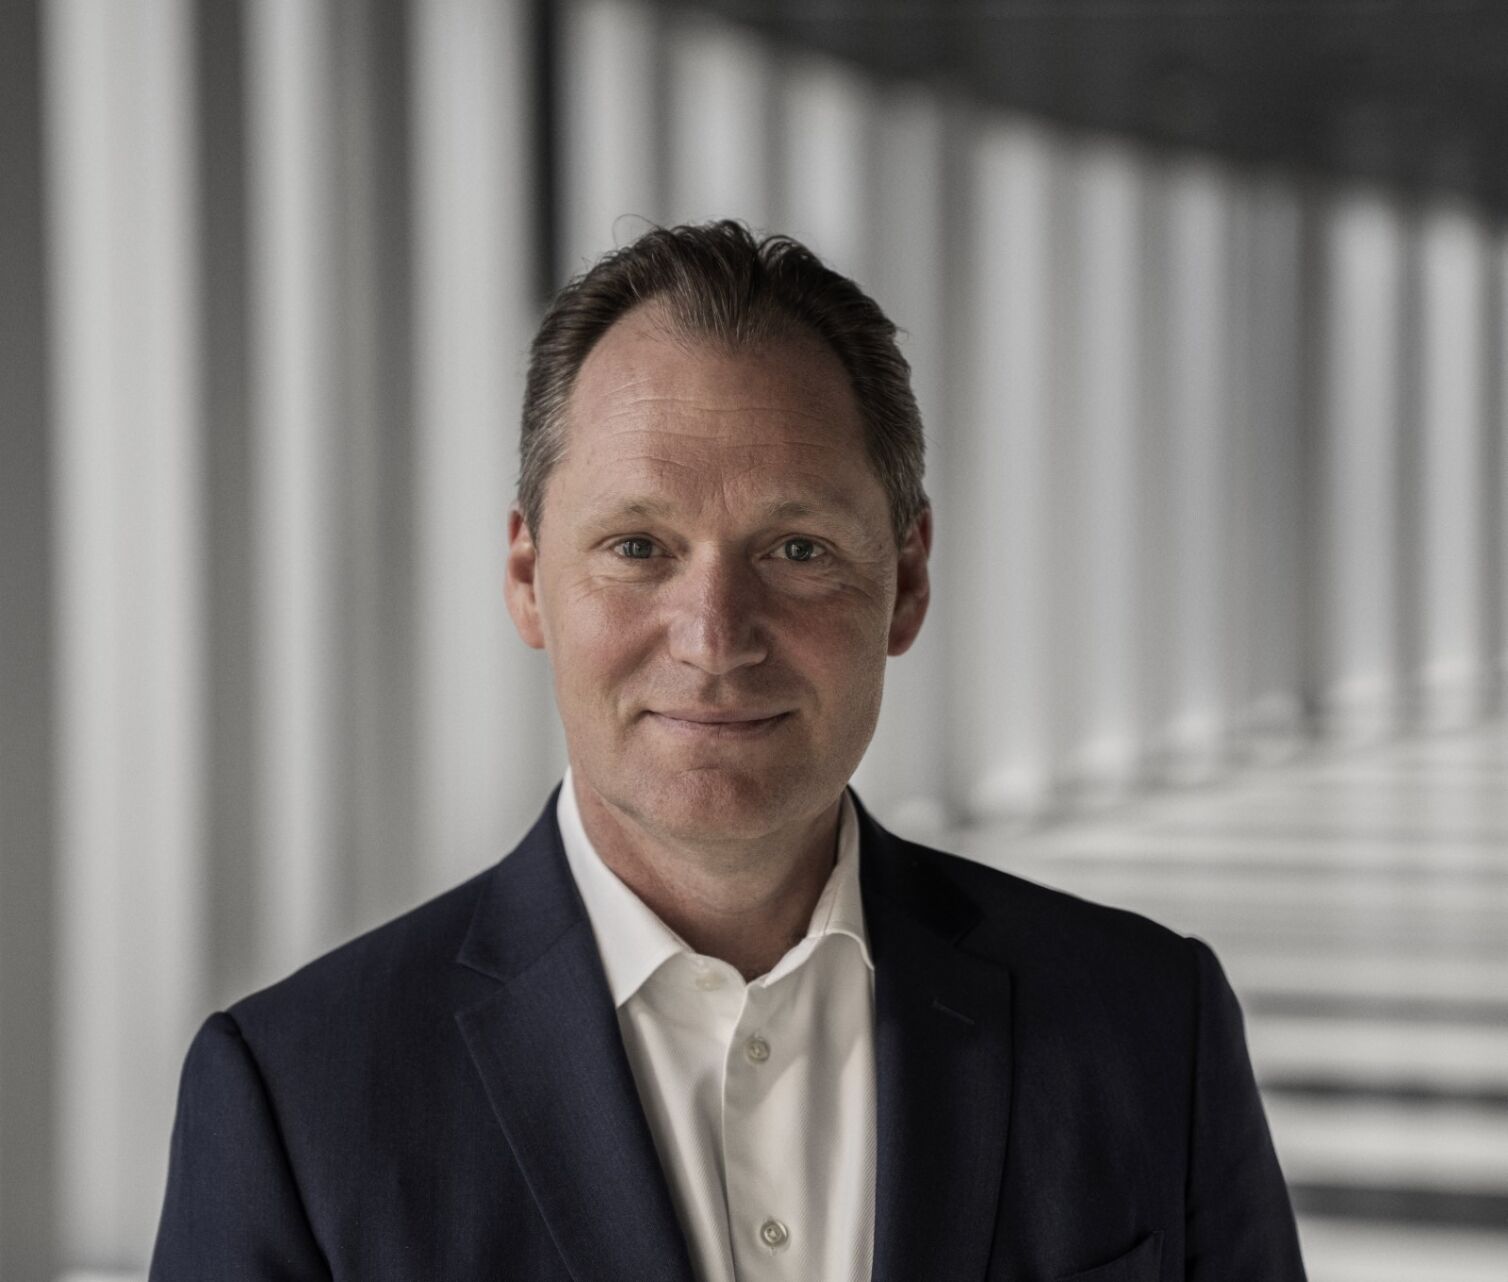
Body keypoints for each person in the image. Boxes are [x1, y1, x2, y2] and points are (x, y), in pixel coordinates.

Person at [149, 220, 1307, 1281]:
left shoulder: (1150, 1028)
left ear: (906, 581)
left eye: (796, 549)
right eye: (637, 545)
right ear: (528, 578)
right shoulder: (295, 1103)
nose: (713, 638)